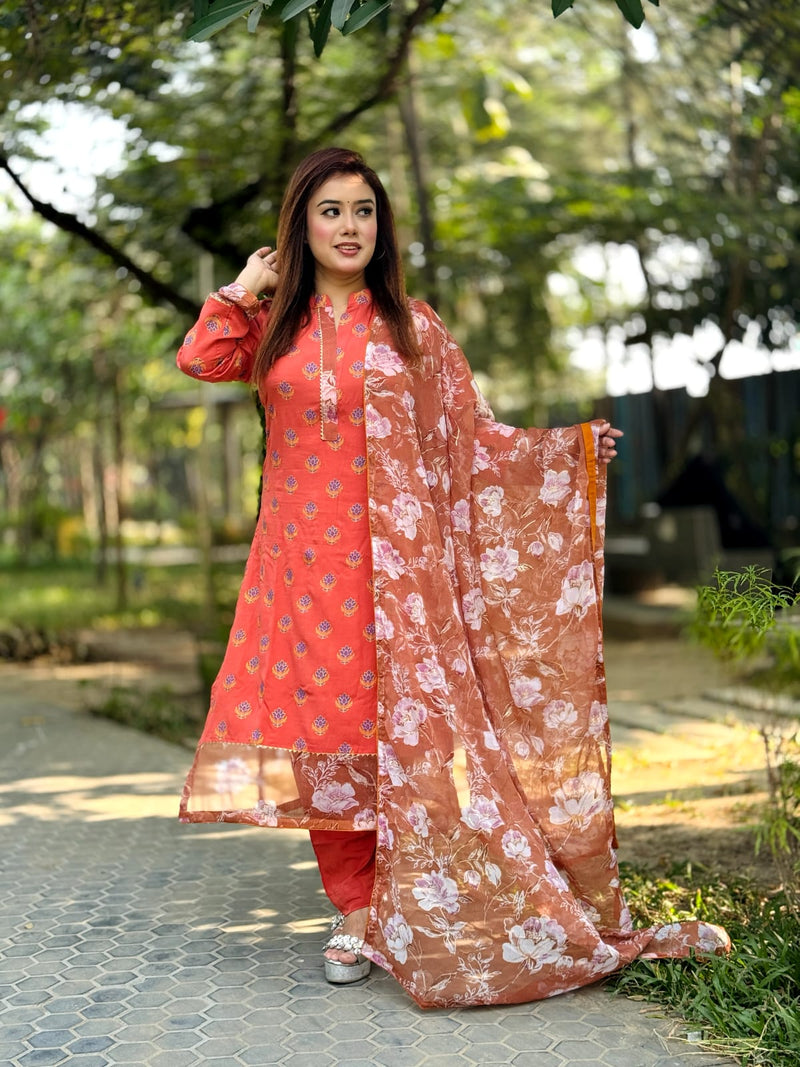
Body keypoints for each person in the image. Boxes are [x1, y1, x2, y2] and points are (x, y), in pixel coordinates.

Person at [177, 146, 728, 1007]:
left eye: (364, 210)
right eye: (330, 211)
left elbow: (473, 439)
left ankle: (418, 894)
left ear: (382, 225)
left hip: (399, 569)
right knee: (328, 736)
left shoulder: (414, 329)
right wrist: (247, 286)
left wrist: (565, 454)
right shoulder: (272, 327)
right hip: (298, 568)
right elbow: (199, 359)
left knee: (406, 732)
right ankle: (357, 907)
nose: (350, 226)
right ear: (300, 227)